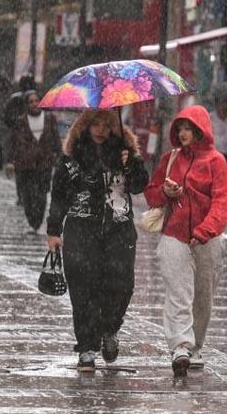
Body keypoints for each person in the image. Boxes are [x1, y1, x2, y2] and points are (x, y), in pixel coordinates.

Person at [46, 110, 148, 373]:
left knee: (122, 285)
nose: (101, 129)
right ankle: (87, 348)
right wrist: (54, 231)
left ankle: (110, 328)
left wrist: (130, 164)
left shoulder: (125, 152)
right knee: (83, 290)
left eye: (106, 124)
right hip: (82, 230)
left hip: (119, 230)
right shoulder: (73, 157)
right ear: (85, 126)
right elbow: (58, 195)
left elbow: (139, 186)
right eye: (95, 124)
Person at [144, 105, 227, 376]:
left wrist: (205, 231)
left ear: (199, 130)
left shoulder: (217, 162)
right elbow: (151, 194)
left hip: (207, 240)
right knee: (178, 292)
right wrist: (166, 192)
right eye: (180, 128)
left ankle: (196, 345)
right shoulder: (170, 159)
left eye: (188, 129)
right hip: (175, 235)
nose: (183, 134)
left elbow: (222, 202)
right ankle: (180, 345)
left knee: (203, 296)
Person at [6, 91, 60, 234]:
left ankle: (37, 222)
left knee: (41, 195)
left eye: (37, 100)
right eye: (31, 101)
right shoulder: (20, 121)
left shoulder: (49, 119)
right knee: (27, 195)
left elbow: (56, 141)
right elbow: (13, 142)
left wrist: (57, 156)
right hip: (25, 165)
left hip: (44, 164)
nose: (34, 104)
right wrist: (11, 161)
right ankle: (32, 220)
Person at [2, 75, 37, 206]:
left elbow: (6, 117)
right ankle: (27, 194)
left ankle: (22, 195)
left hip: (19, 137)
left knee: (21, 169)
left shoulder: (15, 99)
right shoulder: (34, 98)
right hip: (29, 137)